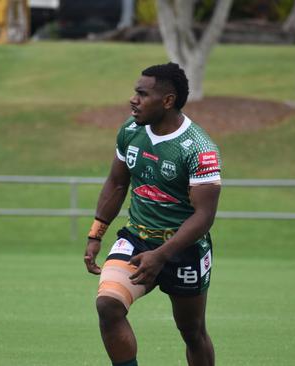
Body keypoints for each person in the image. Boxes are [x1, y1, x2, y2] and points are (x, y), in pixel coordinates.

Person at [84, 62, 222, 366]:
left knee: (192, 332)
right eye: (136, 92)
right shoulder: (131, 130)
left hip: (183, 249)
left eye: (142, 94)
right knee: (108, 306)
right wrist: (97, 233)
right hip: (137, 238)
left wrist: (161, 255)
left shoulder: (199, 149)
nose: (133, 99)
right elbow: (117, 183)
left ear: (168, 101)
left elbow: (204, 216)